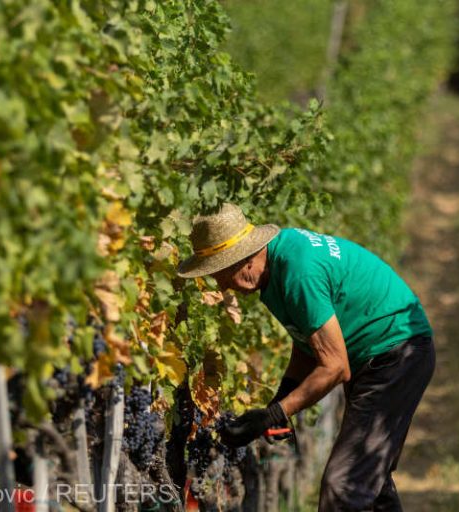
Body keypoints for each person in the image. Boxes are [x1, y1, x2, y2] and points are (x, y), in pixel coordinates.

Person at [176, 203, 435, 512]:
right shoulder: (275, 268)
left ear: (243, 259)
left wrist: (273, 415)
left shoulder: (297, 273)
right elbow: (309, 342)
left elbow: (335, 366)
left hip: (396, 355)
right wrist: (280, 401)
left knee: (343, 487)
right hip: (382, 354)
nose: (222, 285)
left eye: (221, 272)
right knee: (369, 484)